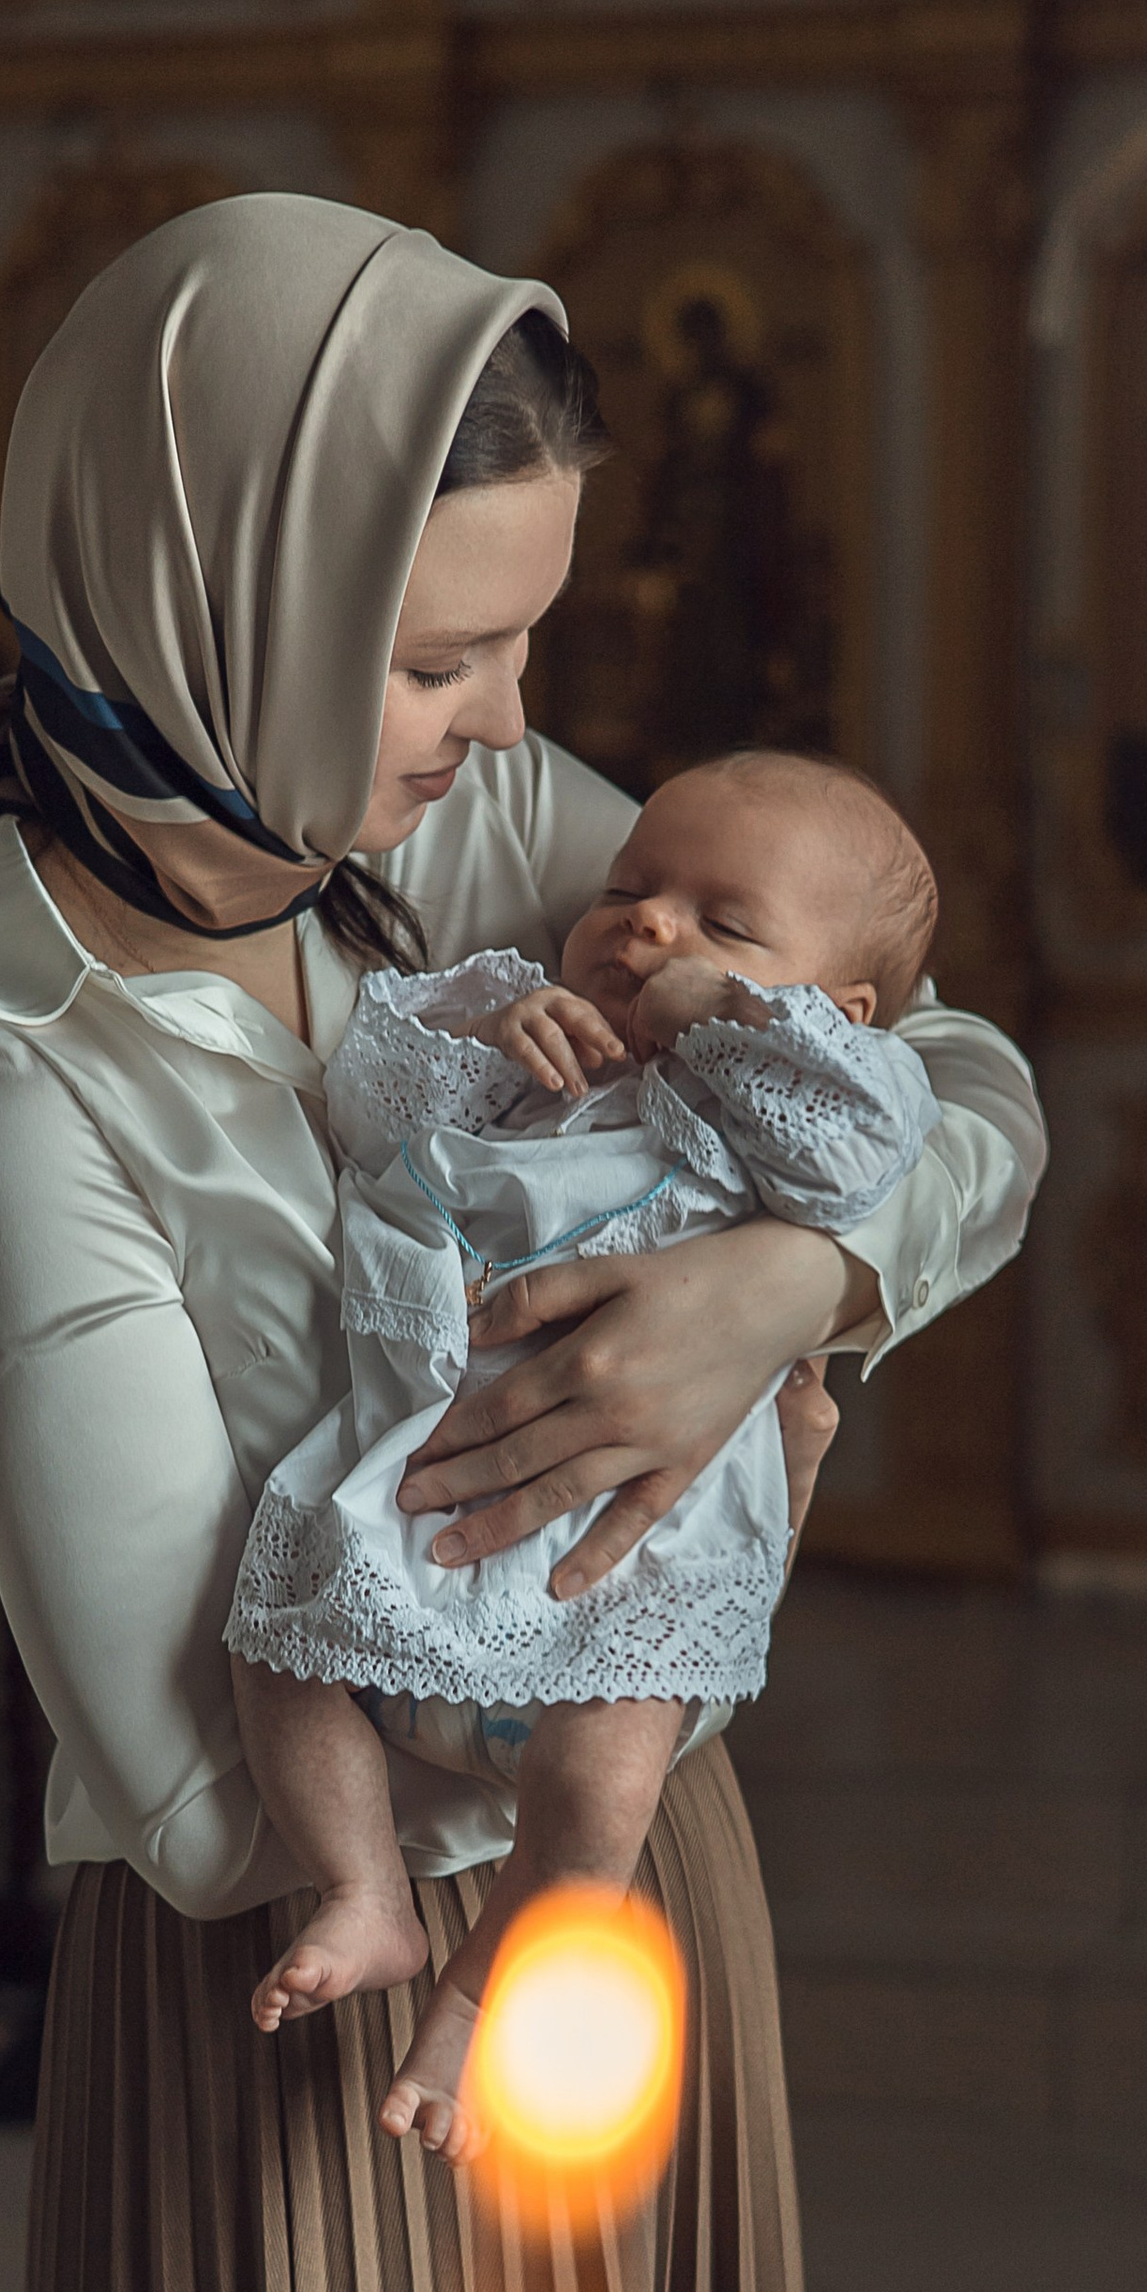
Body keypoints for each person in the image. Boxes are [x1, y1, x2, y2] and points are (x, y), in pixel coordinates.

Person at [0, 194, 1046, 2292]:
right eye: (436, 654)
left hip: (623, 1879)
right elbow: (193, 1774)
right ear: (198, 598)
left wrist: (788, 1295)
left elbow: (964, 1089)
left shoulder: (460, 854)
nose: (498, 728)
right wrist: (668, 1533)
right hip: (323, 1998)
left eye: (527, 643)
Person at [226, 752, 939, 2159]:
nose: (649, 927)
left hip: (632, 1554)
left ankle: (486, 1999)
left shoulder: (794, 1109)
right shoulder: (539, 1065)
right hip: (422, 1483)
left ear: (839, 1015)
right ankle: (360, 1890)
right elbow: (372, 1115)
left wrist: (731, 1020)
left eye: (722, 924)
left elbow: (862, 1157)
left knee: (604, 1796)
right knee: (277, 1640)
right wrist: (488, 1027)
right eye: (627, 891)